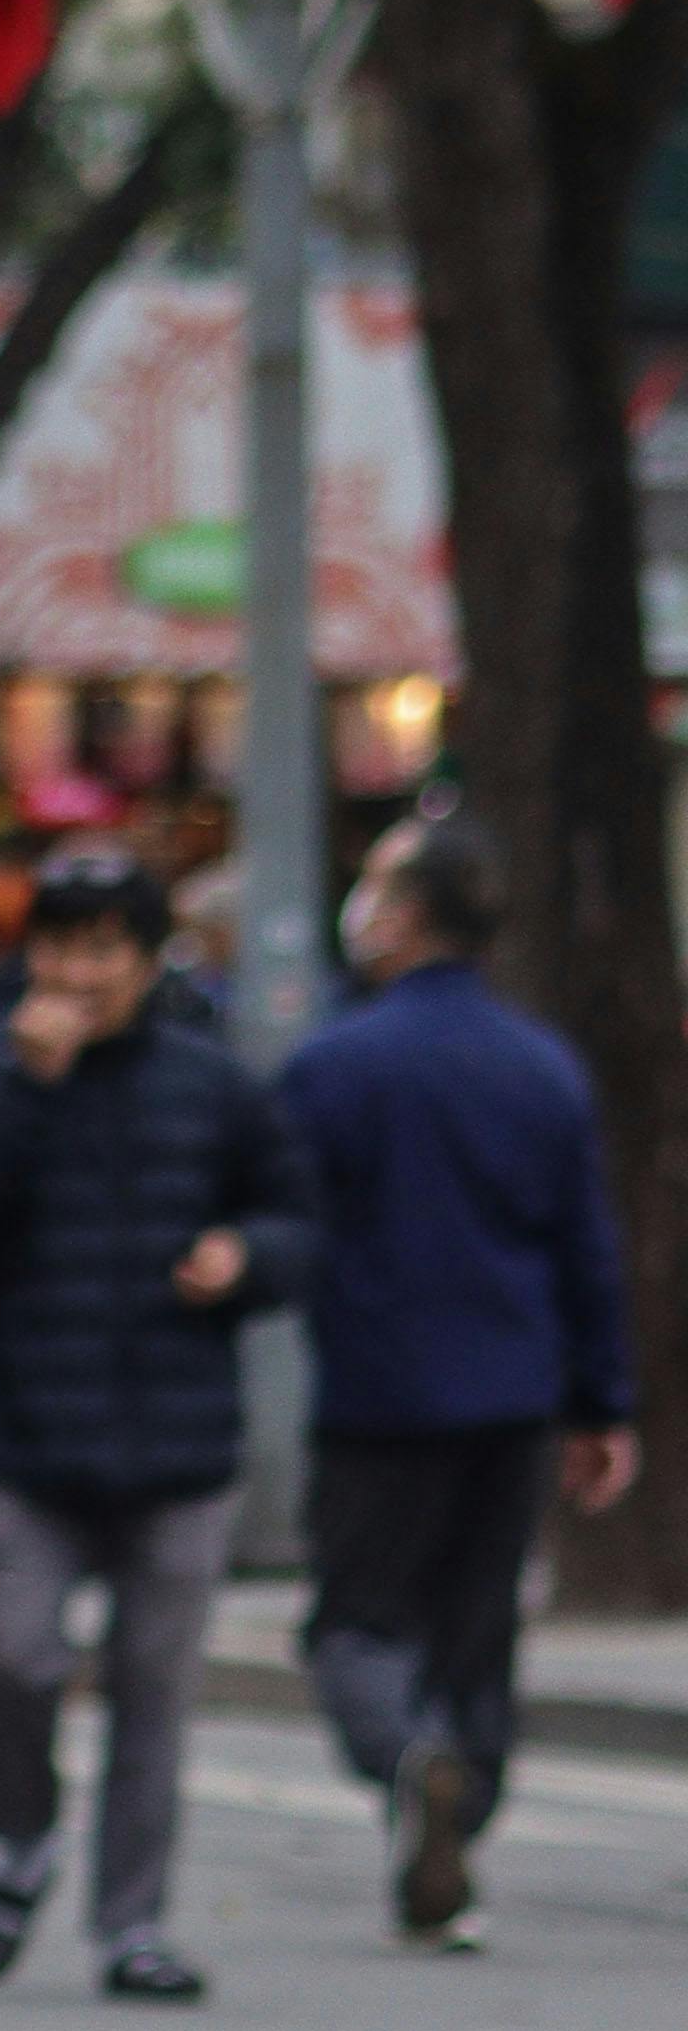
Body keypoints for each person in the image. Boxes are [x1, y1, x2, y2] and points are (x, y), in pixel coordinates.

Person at [0, 840, 319, 2006]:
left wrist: (247, 1261)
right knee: (20, 1660)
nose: (80, 973)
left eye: (105, 951)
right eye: (59, 947)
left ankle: (131, 1922)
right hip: (17, 1436)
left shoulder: (210, 1082)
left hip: (175, 1443)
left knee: (153, 1697)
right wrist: (27, 1088)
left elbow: (297, 1216)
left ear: (146, 959)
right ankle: (19, 1844)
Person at [281, 810, 638, 1951]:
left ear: (404, 915)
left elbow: (285, 1223)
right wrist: (600, 1402)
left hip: (378, 1392)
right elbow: (585, 1244)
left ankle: (405, 1761)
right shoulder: (538, 1066)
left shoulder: (336, 1063)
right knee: (476, 1630)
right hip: (513, 1392)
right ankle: (455, 1821)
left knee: (357, 1626)